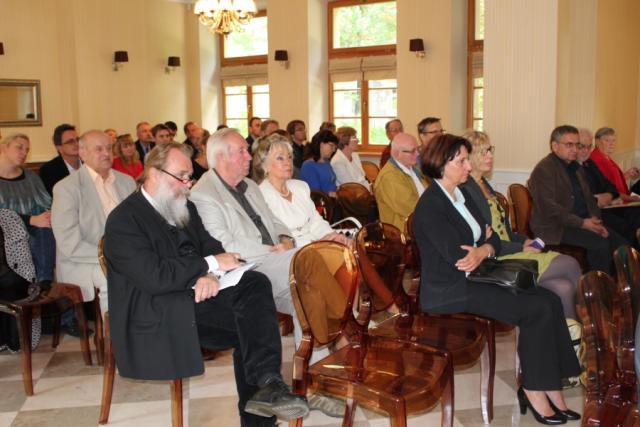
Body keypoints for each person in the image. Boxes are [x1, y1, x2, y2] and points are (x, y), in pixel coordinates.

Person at [104, 142, 308, 426]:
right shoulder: (123, 220)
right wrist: (207, 266)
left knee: (254, 284)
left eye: (190, 177)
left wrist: (211, 274)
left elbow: (209, 246)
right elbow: (155, 275)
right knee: (250, 326)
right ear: (154, 173)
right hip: (158, 310)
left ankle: (269, 383)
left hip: (193, 297)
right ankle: (264, 399)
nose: (187, 185)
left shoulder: (182, 205)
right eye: (181, 177)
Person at [415, 133, 581, 425]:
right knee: (535, 310)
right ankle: (533, 389)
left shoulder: (462, 194)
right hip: (450, 288)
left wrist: (484, 249)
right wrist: (483, 246)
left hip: (477, 275)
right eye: (462, 161)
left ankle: (552, 385)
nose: (469, 166)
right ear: (441, 164)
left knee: (551, 299)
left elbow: (491, 239)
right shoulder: (431, 206)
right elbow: (459, 257)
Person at [461, 130, 580, 318]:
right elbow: (485, 240)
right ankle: (590, 327)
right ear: (469, 157)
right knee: (570, 264)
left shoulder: (483, 184)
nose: (490, 156)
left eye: (490, 150)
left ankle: (571, 335)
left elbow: (505, 231)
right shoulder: (466, 190)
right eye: (483, 152)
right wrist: (521, 247)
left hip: (509, 250)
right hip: (496, 259)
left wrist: (524, 241)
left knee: (563, 287)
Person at [52, 130, 136, 314]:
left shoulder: (127, 182)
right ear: (82, 153)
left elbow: (138, 225)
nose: (106, 153)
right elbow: (69, 244)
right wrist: (112, 255)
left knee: (152, 272)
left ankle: (146, 327)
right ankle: (114, 331)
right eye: (98, 149)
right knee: (114, 278)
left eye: (109, 148)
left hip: (126, 256)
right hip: (83, 262)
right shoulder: (66, 188)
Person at [528, 125, 628, 273]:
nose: (575, 149)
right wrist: (583, 223)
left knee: (623, 246)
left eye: (577, 145)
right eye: (569, 145)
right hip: (556, 227)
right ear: (554, 146)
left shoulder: (576, 168)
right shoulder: (544, 169)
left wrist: (597, 222)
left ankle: (623, 284)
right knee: (600, 245)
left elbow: (589, 200)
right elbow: (549, 208)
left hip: (581, 223)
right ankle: (596, 285)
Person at [253, 134, 349, 247]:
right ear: (264, 165)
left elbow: (315, 221)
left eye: (290, 157)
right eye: (280, 158)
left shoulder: (300, 187)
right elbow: (274, 239)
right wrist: (315, 244)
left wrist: (331, 235)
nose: (288, 163)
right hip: (291, 252)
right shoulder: (260, 196)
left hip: (315, 245)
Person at [0, 134, 55, 286]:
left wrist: (48, 215)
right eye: (19, 147)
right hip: (4, 233)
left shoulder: (31, 177)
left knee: (46, 227)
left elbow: (46, 204)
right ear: (4, 147)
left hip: (36, 229)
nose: (24, 153)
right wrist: (31, 220)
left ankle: (44, 283)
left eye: (27, 150)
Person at [374, 133, 429, 231]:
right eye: (412, 151)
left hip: (421, 222)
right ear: (397, 153)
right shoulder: (389, 177)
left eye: (417, 149)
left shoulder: (413, 168)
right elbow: (412, 208)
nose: (418, 154)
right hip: (405, 232)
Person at [588, 127, 640, 200]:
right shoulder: (597, 159)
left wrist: (627, 175)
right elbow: (607, 188)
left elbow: (611, 181)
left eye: (613, 140)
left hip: (622, 197)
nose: (611, 144)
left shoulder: (605, 156)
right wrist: (630, 198)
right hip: (617, 201)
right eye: (607, 140)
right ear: (597, 141)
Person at [39, 123, 82, 195]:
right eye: (70, 142)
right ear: (59, 148)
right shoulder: (49, 170)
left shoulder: (90, 163)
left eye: (78, 140)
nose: (76, 144)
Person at [331, 126, 370, 191]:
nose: (358, 141)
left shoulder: (355, 155)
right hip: (349, 194)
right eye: (354, 138)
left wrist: (371, 188)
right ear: (344, 141)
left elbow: (363, 177)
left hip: (363, 190)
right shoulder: (337, 161)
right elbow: (349, 186)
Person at [300, 131, 338, 196]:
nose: (334, 150)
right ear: (321, 144)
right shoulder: (308, 166)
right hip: (321, 200)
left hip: (331, 199)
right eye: (332, 146)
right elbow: (315, 193)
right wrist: (331, 194)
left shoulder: (326, 162)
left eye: (335, 147)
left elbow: (330, 184)